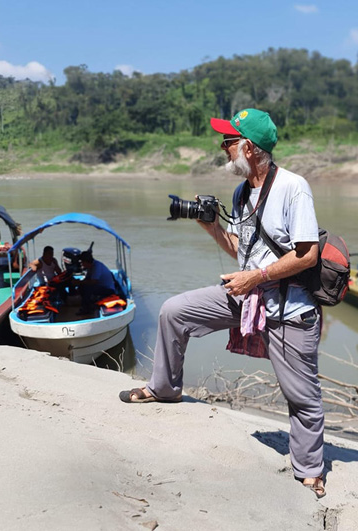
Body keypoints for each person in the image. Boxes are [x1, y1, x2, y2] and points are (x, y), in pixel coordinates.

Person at [118, 108, 326, 498]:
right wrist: (211, 226)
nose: (223, 148)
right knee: (174, 311)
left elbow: (308, 254)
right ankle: (165, 387)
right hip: (246, 294)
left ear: (249, 146)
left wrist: (257, 277)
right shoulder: (241, 192)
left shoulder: (293, 187)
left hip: (288, 306)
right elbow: (240, 252)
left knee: (301, 394)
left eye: (228, 141)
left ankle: (311, 469)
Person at [73, 251, 116, 316]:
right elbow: (87, 279)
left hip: (108, 289)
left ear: (86, 261)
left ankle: (86, 309)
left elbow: (94, 281)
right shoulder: (90, 267)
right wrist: (79, 283)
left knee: (87, 288)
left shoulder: (97, 266)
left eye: (82, 262)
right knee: (82, 286)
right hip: (99, 286)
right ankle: (88, 304)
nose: (81, 264)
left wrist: (79, 282)